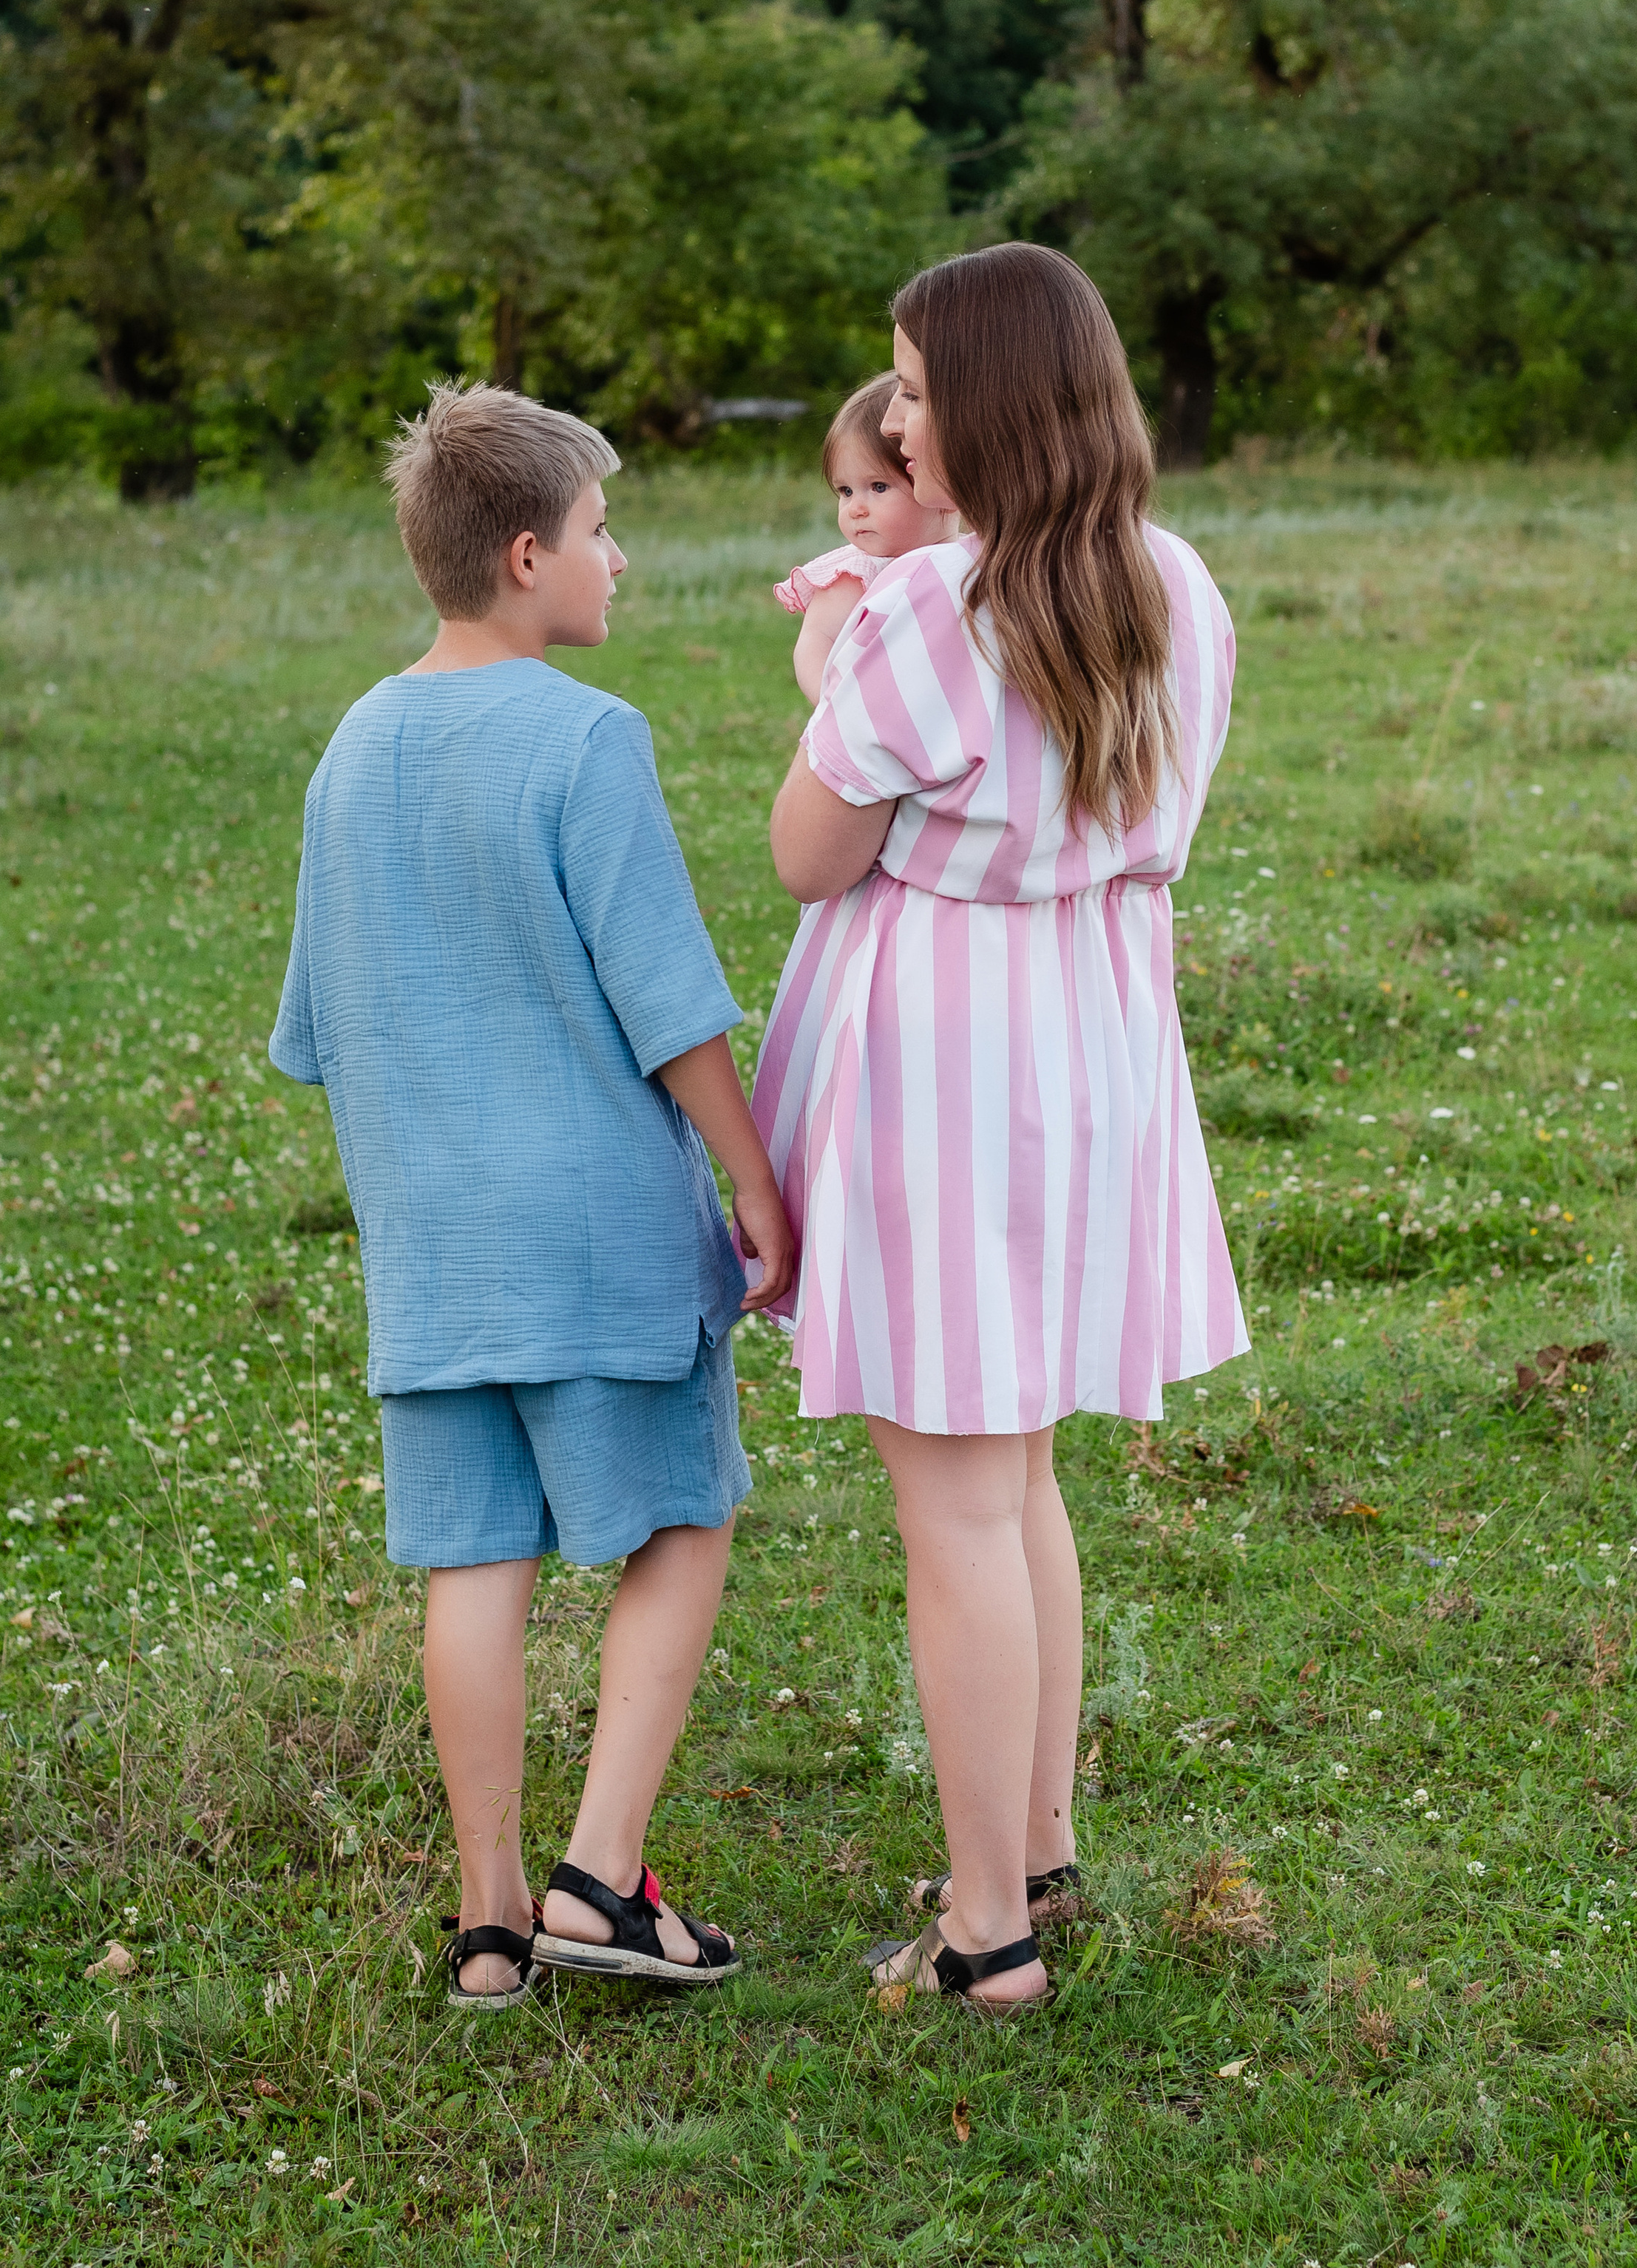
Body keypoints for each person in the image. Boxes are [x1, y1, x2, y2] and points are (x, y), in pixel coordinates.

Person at [750, 245, 1245, 2014]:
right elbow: (1148, 826)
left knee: (955, 1501)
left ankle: (986, 1932)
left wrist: (845, 718)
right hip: (1094, 1048)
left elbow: (807, 852)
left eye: (914, 380)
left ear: (996, 403)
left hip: (946, 1072)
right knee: (1014, 1472)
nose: (891, 411)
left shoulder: (918, 613)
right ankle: (1028, 1837)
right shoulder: (1175, 589)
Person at [270, 381, 794, 2009]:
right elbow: (668, 998)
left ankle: (489, 1918)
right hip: (594, 1232)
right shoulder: (587, 736)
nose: (617, 560)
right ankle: (596, 1876)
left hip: (427, 1248)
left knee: (472, 1562)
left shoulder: (352, 742)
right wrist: (753, 1177)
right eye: (599, 531)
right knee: (686, 1519)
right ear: (521, 556)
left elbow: (317, 1021)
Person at [775, 374, 959, 702]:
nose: (855, 508)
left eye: (878, 487)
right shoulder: (858, 575)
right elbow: (815, 644)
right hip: (868, 726)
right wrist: (837, 710)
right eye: (845, 491)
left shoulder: (971, 560)